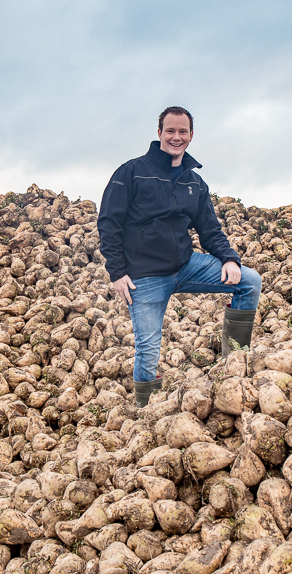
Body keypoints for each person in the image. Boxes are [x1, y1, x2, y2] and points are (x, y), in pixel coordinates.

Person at [98, 106, 262, 407]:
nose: (176, 137)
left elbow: (210, 229)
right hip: (144, 277)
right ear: (159, 133)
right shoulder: (131, 172)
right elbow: (109, 223)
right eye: (170, 131)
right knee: (148, 349)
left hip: (186, 266)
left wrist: (229, 258)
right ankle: (146, 410)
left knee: (249, 281)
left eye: (182, 131)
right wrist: (117, 273)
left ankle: (235, 363)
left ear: (191, 135)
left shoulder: (194, 183)